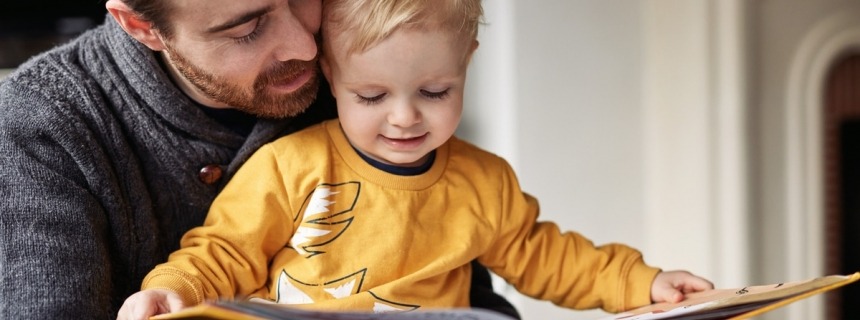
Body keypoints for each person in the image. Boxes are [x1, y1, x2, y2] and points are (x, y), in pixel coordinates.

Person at [117, 0, 715, 318]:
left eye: (435, 92)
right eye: (371, 97)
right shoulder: (291, 164)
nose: (405, 118)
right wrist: (175, 289)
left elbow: (544, 255)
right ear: (329, 74)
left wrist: (645, 283)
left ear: (467, 65)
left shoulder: (484, 182)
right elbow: (226, 252)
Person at [0, 0, 512, 318]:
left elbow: (461, 275)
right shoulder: (40, 126)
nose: (304, 47)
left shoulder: (363, 69)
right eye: (246, 29)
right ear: (142, 26)